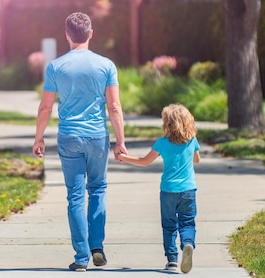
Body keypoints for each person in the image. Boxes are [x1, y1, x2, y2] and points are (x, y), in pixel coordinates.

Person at [32, 12, 127, 272]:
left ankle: (82, 257)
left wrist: (39, 137)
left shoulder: (56, 67)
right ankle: (97, 247)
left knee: (75, 197)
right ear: (90, 34)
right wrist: (120, 141)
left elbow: (45, 108)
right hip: (97, 136)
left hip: (69, 137)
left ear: (67, 35)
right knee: (97, 190)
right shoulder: (106, 65)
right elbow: (115, 106)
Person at [117, 103, 200, 274]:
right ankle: (188, 244)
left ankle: (172, 261)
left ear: (167, 124)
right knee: (187, 222)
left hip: (168, 191)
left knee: (169, 225)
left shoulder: (162, 143)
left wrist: (124, 158)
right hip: (188, 190)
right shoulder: (192, 141)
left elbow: (144, 161)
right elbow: (197, 160)